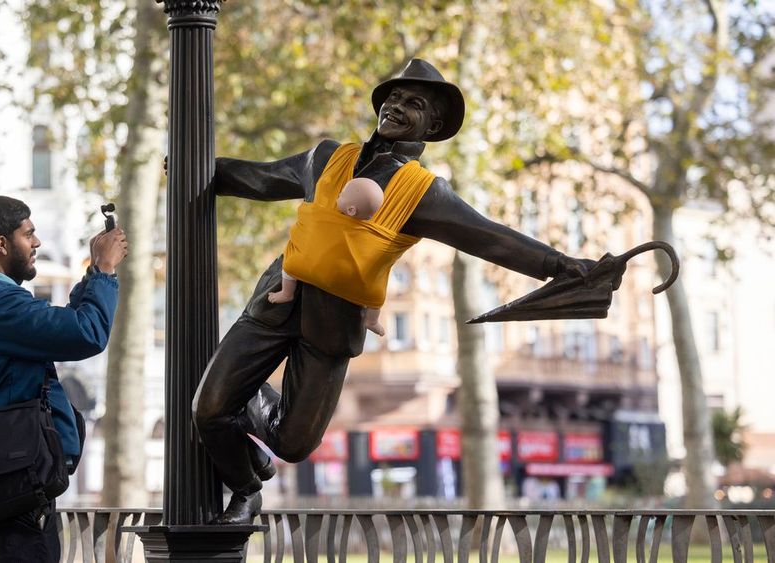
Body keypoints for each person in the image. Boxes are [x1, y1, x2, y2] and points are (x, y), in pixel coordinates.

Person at [192, 59, 595, 524]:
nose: (397, 106)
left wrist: (562, 265)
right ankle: (246, 491)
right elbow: (262, 178)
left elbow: (491, 237)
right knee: (209, 409)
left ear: (434, 124)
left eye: (414, 103)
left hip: (332, 326)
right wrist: (202, 169)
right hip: (275, 302)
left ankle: (249, 424)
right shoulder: (326, 156)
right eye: (394, 97)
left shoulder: (424, 193)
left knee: (293, 444)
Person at [0, 195, 127, 562]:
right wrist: (105, 271)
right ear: (2, 244)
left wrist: (94, 274)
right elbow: (86, 333)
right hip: (13, 479)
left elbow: (58, 327)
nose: (37, 243)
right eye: (28, 234)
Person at [267, 177, 387, 336]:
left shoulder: (327, 215)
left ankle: (286, 293)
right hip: (355, 283)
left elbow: (311, 221)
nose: (338, 195)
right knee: (376, 296)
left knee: (289, 265)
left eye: (342, 194)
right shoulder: (373, 231)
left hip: (313, 270)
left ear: (351, 210)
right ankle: (371, 321)